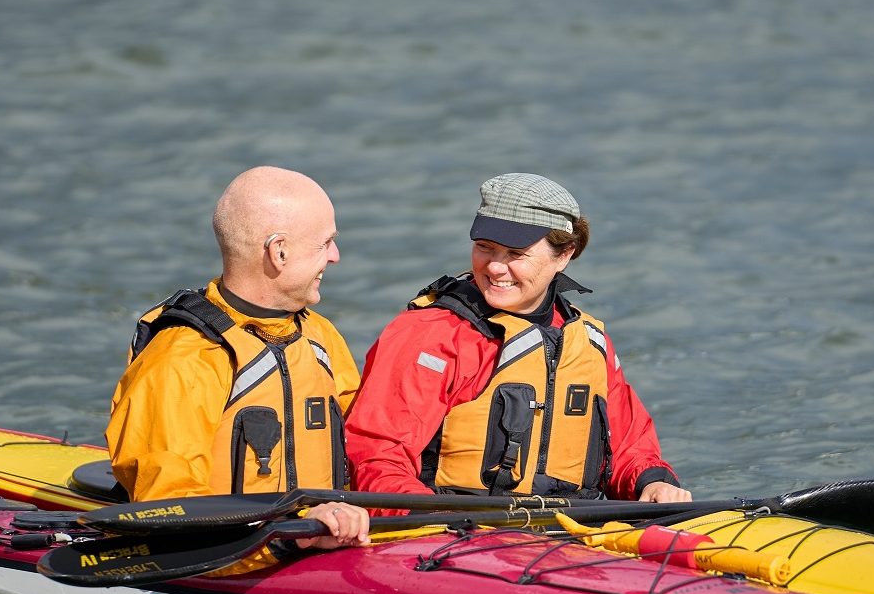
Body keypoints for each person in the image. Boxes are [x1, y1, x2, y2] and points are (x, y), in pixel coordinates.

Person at [345, 172, 691, 511]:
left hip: (572, 527)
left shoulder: (588, 341)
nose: (495, 267)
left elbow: (630, 447)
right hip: (450, 533)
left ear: (565, 254)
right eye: (485, 247)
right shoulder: (429, 334)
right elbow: (376, 456)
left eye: (516, 254)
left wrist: (653, 481)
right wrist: (435, 520)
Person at [105, 166, 369, 551]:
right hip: (232, 555)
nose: (335, 256)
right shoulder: (184, 358)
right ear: (279, 252)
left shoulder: (319, 335)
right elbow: (171, 504)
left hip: (319, 545)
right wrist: (293, 537)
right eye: (325, 243)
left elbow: (362, 443)